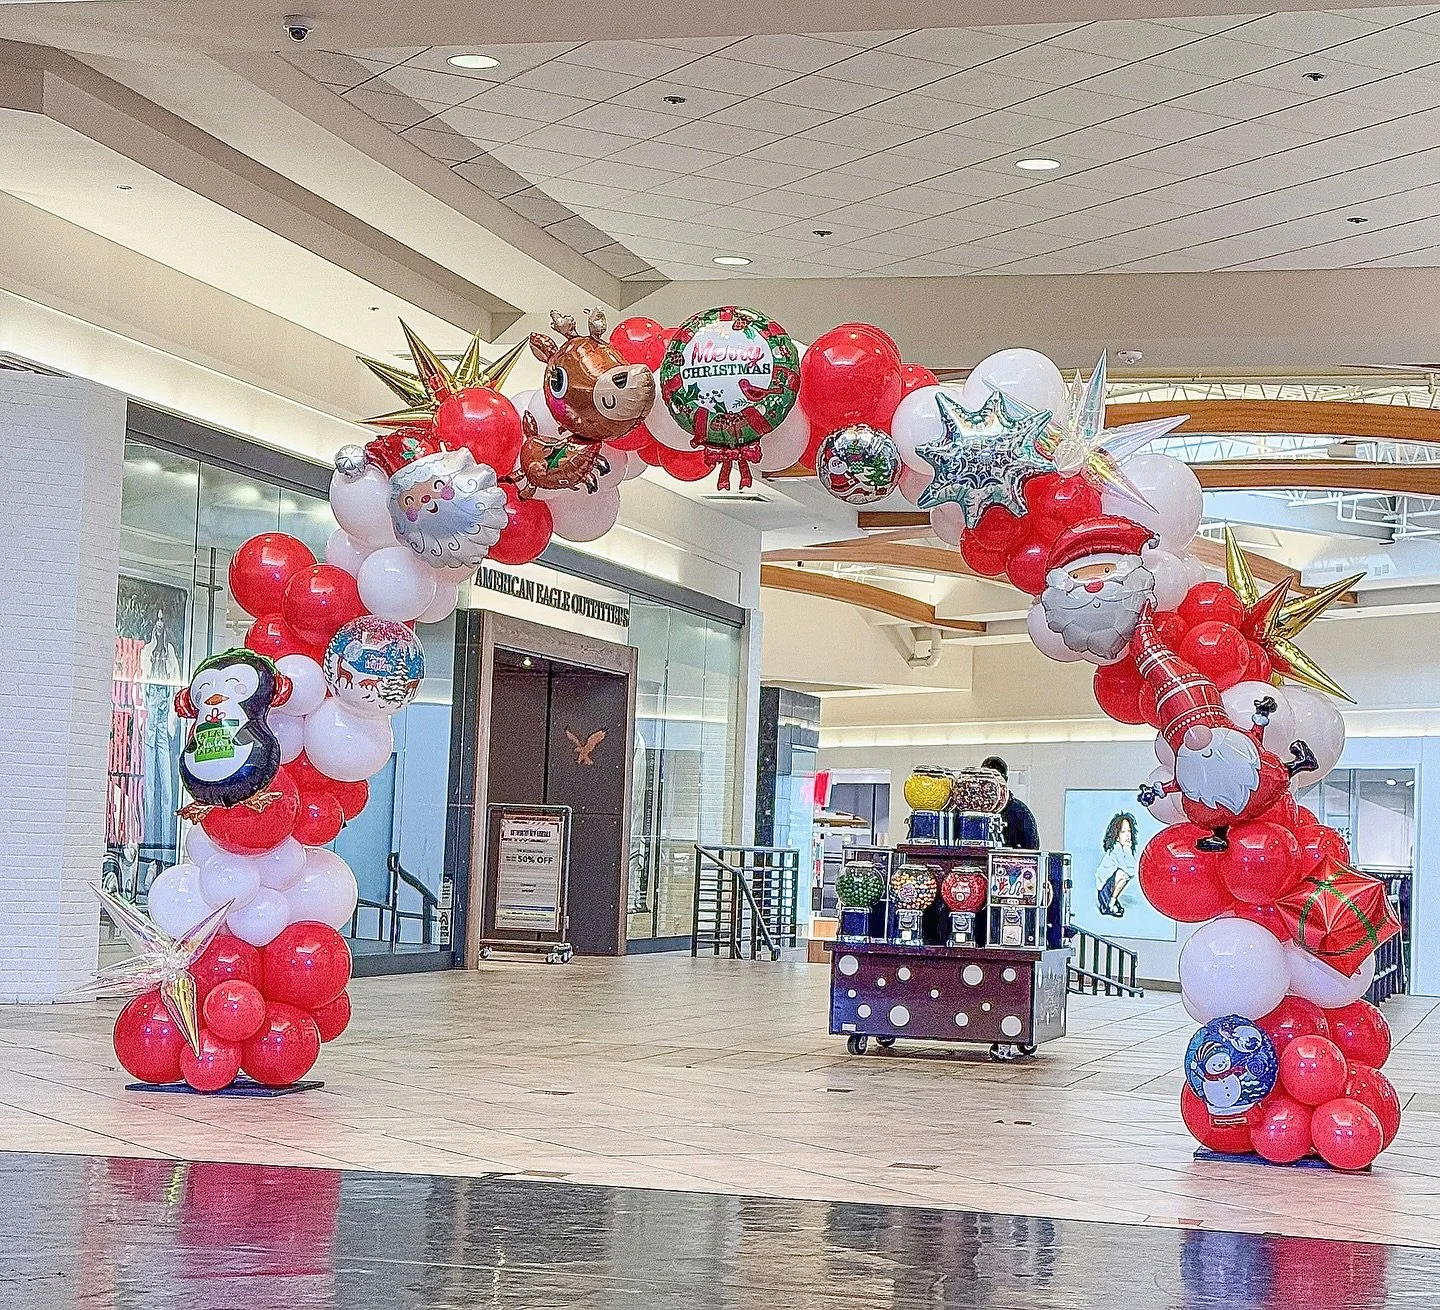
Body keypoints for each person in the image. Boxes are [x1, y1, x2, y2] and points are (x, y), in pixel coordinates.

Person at [981, 756, 1039, 850]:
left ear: (1005, 780)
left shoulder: (1020, 812)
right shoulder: (972, 810)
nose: (989, 785)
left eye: (993, 779)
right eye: (983, 779)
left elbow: (1032, 852)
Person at [1095, 812, 1140, 918]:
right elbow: (1131, 871)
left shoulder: (1123, 848)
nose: (1127, 835)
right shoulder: (1116, 849)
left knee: (1124, 874)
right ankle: (1110, 904)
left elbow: (1132, 868)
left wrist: (1127, 849)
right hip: (1104, 888)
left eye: (1129, 831)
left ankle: (1112, 901)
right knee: (1123, 875)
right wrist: (1127, 850)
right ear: (1117, 835)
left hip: (1109, 882)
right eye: (1123, 832)